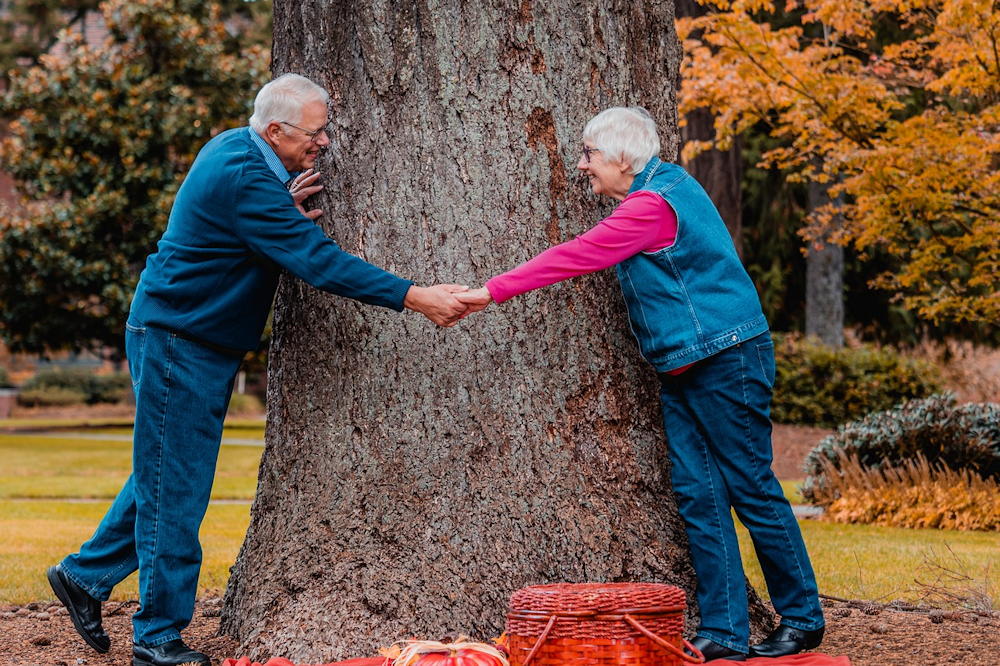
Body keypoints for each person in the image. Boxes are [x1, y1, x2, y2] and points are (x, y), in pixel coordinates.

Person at [46, 73, 469, 666]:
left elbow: (245, 224)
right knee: (180, 493)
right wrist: (415, 295)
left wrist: (277, 211)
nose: (324, 142)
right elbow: (319, 262)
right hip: (180, 342)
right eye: (315, 132)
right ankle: (158, 638)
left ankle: (85, 577)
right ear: (275, 130)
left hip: (192, 338)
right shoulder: (247, 175)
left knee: (167, 475)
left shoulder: (238, 153)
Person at [457, 107, 825, 661]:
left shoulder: (651, 205)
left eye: (589, 154)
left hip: (726, 359)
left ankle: (803, 618)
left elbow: (577, 256)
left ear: (622, 157)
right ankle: (725, 631)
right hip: (684, 365)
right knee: (699, 494)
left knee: (750, 484)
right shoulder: (661, 188)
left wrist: (492, 291)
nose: (582, 165)